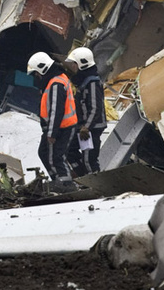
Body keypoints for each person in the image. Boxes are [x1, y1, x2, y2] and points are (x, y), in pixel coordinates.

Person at [27, 51, 78, 188]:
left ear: (43, 68)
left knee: (56, 156)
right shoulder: (55, 80)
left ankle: (65, 183)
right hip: (60, 126)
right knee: (45, 153)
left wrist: (51, 133)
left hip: (61, 128)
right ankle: (59, 180)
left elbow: (56, 110)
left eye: (37, 72)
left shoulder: (56, 83)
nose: (37, 76)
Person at [65, 47, 106, 176]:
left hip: (91, 128)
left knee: (89, 160)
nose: (73, 67)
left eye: (74, 64)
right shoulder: (83, 81)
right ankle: (82, 177)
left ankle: (95, 183)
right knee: (69, 151)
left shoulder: (92, 83)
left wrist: (86, 127)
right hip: (83, 126)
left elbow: (95, 107)